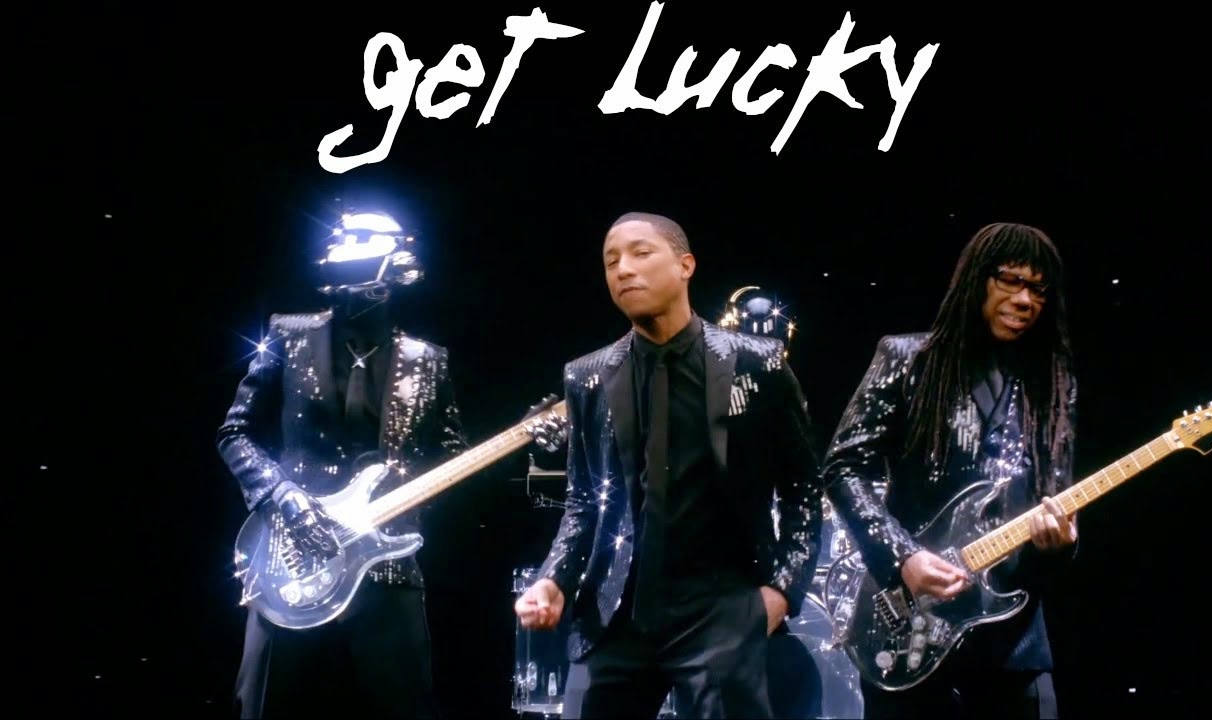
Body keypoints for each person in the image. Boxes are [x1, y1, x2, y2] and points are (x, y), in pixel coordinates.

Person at [514, 212, 824, 719]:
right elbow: (584, 499)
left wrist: (781, 593)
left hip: (725, 606)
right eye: (611, 261)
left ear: (686, 265)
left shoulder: (758, 361)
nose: (623, 269)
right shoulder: (586, 376)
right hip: (620, 612)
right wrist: (554, 579)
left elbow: (802, 488)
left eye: (641, 253)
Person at [822, 222, 1079, 719]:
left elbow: (1056, 496)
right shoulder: (907, 358)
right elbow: (843, 467)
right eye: (1011, 280)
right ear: (976, 278)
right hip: (909, 624)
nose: (1025, 299)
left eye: (1039, 289)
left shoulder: (1052, 382)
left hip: (1012, 636)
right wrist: (903, 557)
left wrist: (1060, 544)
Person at [218, 209, 467, 719]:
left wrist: (404, 507)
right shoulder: (288, 335)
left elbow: (451, 455)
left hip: (386, 562)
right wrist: (280, 494)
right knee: (262, 706)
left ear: (396, 270)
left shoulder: (427, 360)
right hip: (291, 558)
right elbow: (234, 433)